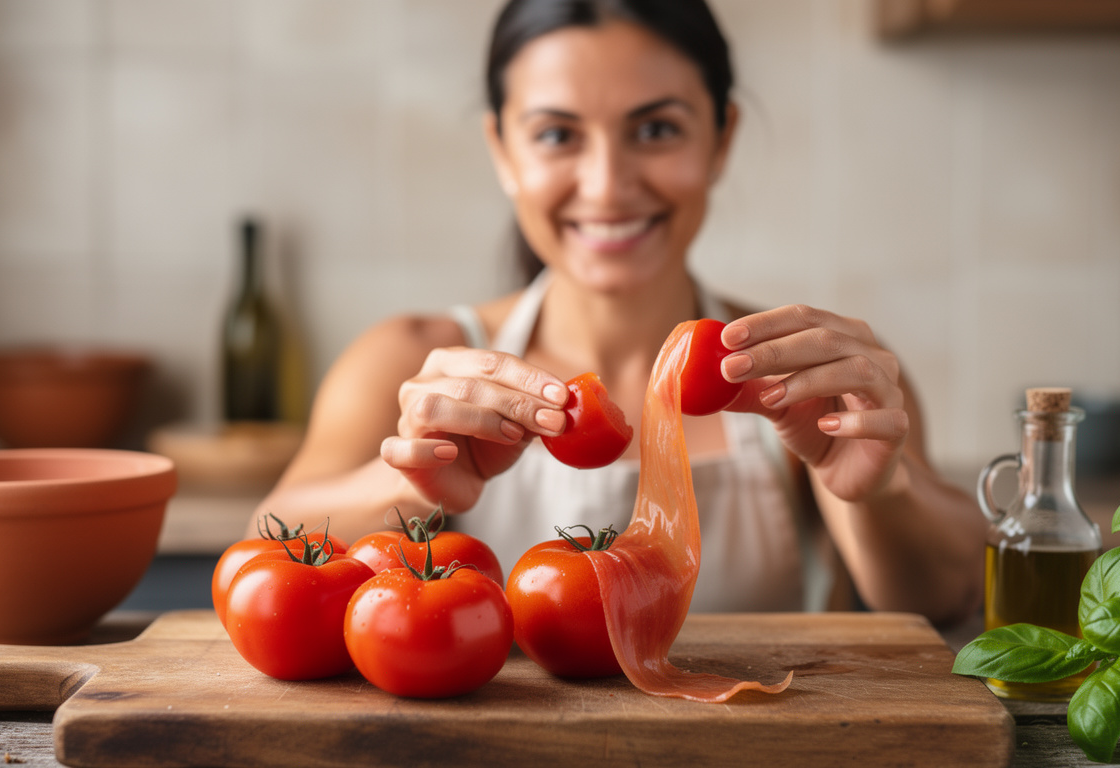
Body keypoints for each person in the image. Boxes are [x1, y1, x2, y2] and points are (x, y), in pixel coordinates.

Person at [253, 0, 985, 625]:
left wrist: (880, 490)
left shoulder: (816, 375)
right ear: (502, 150)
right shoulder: (401, 362)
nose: (606, 186)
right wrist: (407, 484)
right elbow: (264, 553)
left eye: (656, 129)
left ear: (721, 138)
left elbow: (947, 598)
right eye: (556, 135)